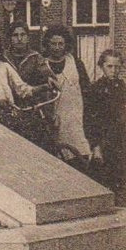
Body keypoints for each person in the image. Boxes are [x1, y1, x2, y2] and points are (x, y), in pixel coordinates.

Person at [42, 24, 92, 167]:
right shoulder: (42, 65)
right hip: (55, 120)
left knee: (80, 157)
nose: (57, 47)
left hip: (76, 118)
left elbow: (86, 90)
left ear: (66, 44)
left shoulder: (75, 63)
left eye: (60, 44)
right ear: (47, 44)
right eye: (53, 44)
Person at [3, 22, 58, 148]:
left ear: (28, 37)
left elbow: (47, 73)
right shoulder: (3, 57)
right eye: (15, 35)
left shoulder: (35, 57)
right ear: (10, 39)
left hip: (30, 107)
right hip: (9, 105)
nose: (19, 38)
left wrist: (49, 79)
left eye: (23, 35)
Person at [86, 49, 126, 205]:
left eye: (117, 67)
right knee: (104, 179)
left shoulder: (122, 87)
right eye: (109, 66)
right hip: (103, 141)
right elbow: (90, 121)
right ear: (101, 67)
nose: (114, 70)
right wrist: (95, 146)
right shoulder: (95, 89)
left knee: (120, 178)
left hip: (120, 140)